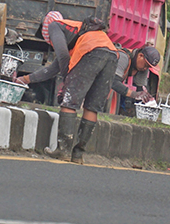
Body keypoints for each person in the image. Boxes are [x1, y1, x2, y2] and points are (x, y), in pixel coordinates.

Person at [15, 11, 118, 164]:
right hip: (111, 55)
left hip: (92, 52)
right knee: (92, 107)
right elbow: (53, 68)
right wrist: (24, 80)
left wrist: (66, 83)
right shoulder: (77, 34)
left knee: (69, 101)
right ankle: (77, 154)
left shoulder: (54, 26)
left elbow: (62, 56)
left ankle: (63, 150)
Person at [110, 45, 161, 114]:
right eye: (146, 65)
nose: (145, 68)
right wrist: (134, 94)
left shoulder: (142, 66)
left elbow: (140, 88)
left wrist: (147, 99)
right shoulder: (123, 58)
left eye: (148, 67)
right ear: (140, 56)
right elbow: (113, 82)